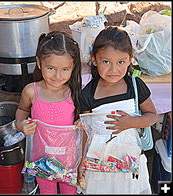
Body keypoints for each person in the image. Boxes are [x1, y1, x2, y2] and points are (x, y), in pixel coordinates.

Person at [78, 26, 158, 194]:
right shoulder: (88, 94)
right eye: (106, 62)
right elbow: (86, 131)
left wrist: (131, 123)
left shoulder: (135, 86)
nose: (113, 70)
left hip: (129, 159)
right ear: (94, 60)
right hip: (99, 161)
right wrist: (81, 160)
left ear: (130, 60)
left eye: (120, 62)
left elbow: (152, 117)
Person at [15, 31, 82, 194]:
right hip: (42, 159)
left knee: (69, 191)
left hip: (69, 160)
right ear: (39, 63)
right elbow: (22, 110)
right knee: (47, 191)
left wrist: (83, 123)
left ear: (73, 67)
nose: (58, 76)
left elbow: (84, 119)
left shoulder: (75, 93)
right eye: (50, 68)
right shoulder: (31, 91)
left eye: (65, 69)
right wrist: (21, 124)